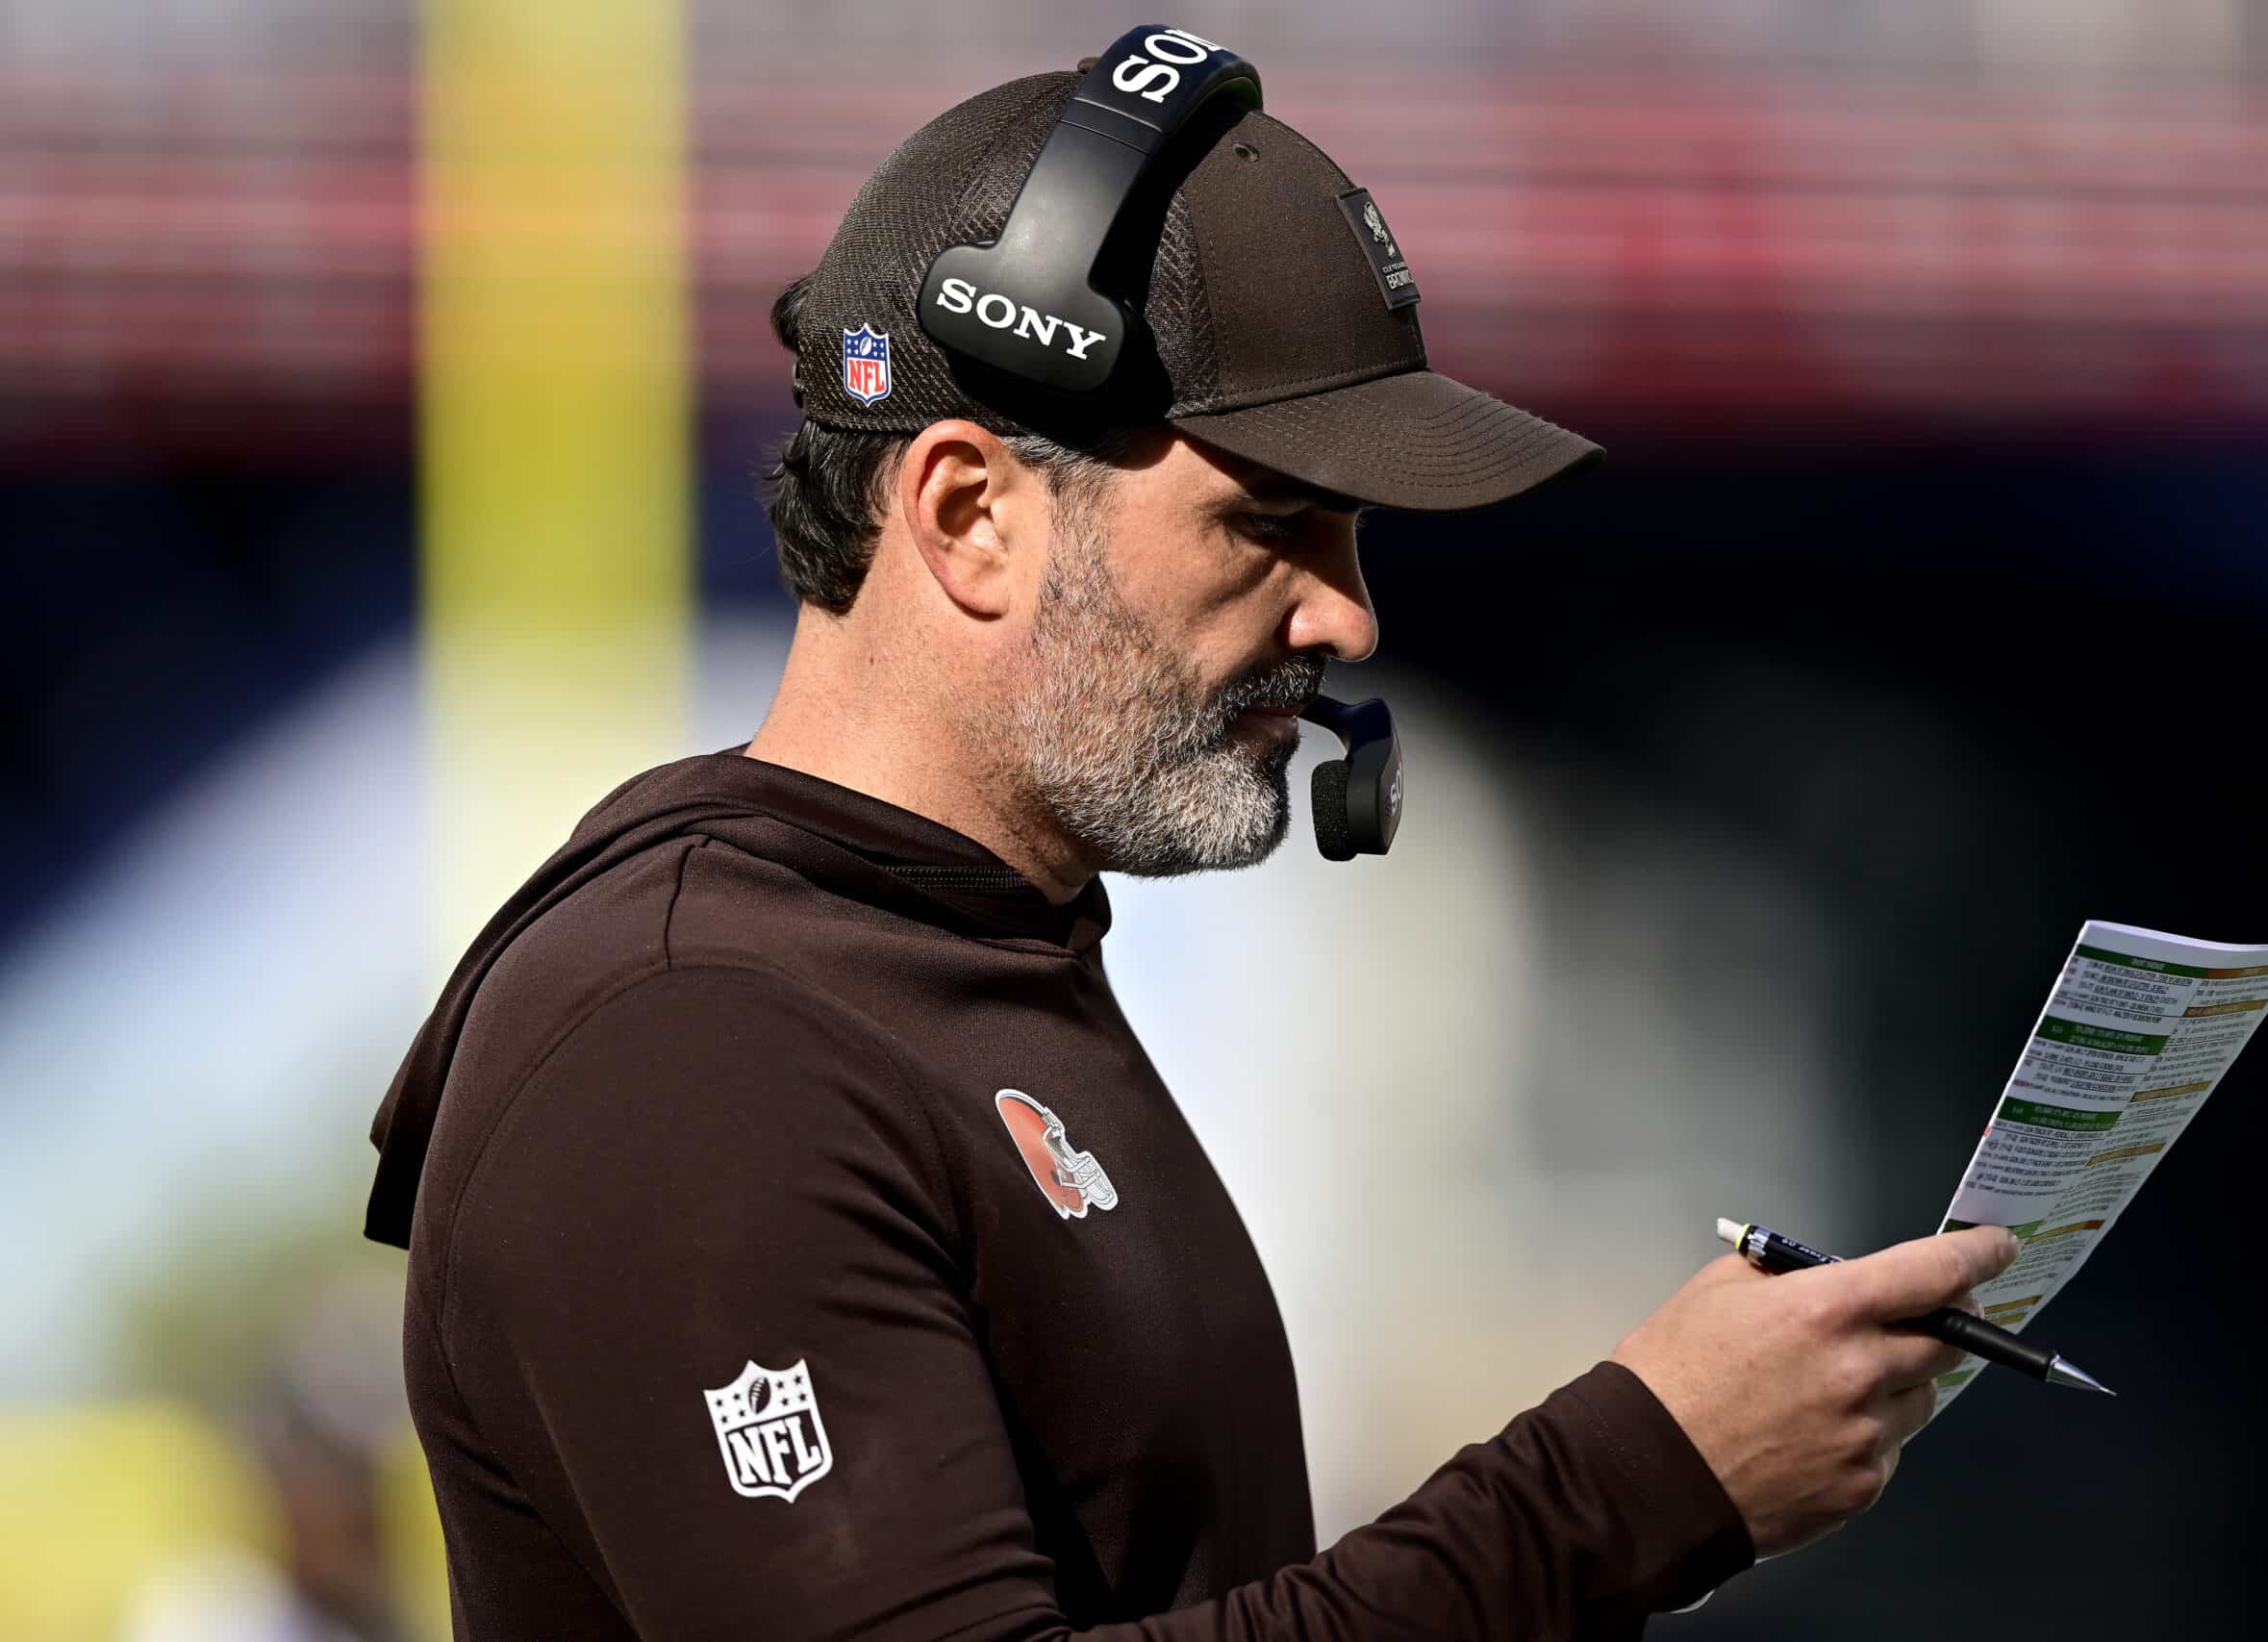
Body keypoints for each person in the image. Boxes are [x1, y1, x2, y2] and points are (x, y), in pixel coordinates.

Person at [363, 52, 2018, 1641]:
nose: (1349, 616)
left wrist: (1645, 1491)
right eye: (1267, 521)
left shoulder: (951, 962)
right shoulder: (694, 1039)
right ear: (967, 514)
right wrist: (1629, 1485)